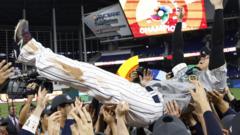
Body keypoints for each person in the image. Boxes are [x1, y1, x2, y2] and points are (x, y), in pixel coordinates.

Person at [14, 0, 226, 127]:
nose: (202, 57)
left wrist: (217, 7)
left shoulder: (214, 80)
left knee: (90, 76)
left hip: (153, 106)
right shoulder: (189, 74)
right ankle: (31, 51)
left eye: (206, 57)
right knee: (88, 78)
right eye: (202, 56)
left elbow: (217, 44)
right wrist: (179, 21)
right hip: (145, 99)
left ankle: (32, 50)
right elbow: (178, 51)